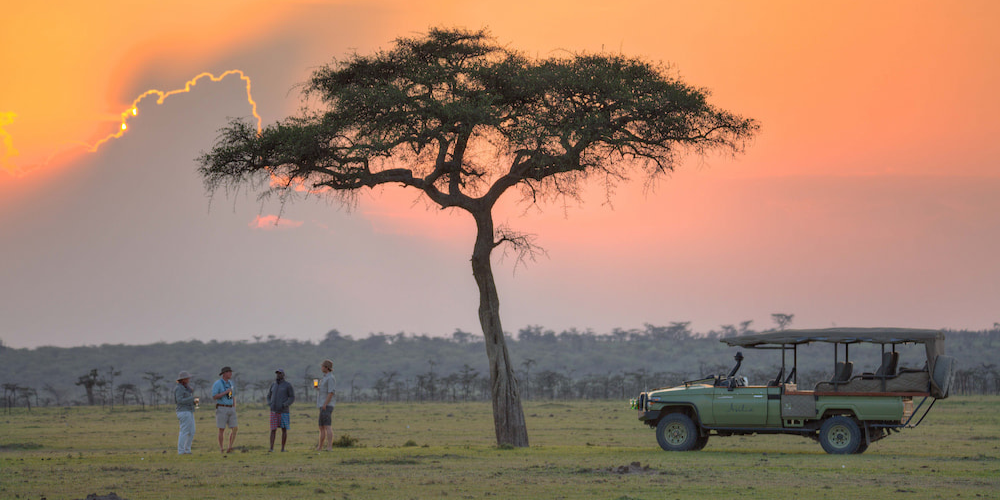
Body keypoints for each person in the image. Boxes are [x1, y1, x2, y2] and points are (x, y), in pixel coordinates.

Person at [267, 368, 295, 452]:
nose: (278, 375)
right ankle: (271, 448)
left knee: (284, 429)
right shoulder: (273, 385)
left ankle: (283, 448)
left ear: (283, 375)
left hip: (283, 411)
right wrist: (270, 403)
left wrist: (285, 404)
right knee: (273, 429)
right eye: (277, 373)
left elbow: (292, 397)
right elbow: (269, 395)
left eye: (280, 373)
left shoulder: (287, 385)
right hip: (274, 410)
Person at [211, 366, 238, 453]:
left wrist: (234, 406)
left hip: (230, 408)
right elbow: (214, 396)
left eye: (231, 372)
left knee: (235, 428)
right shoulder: (218, 383)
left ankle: (230, 446)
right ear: (224, 374)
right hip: (222, 407)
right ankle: (221, 448)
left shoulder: (230, 383)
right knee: (221, 429)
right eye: (229, 372)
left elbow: (231, 396)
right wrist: (225, 392)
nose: (230, 374)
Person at [315, 359, 337, 451]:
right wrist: (317, 388)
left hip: (326, 405)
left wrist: (325, 404)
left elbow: (331, 392)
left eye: (323, 366)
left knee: (327, 425)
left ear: (326, 368)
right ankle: (320, 447)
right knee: (321, 426)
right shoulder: (324, 378)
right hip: (322, 404)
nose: (321, 368)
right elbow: (324, 391)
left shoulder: (330, 378)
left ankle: (329, 447)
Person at [174, 370, 196, 455]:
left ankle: (187, 450)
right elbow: (179, 400)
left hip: (189, 410)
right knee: (184, 431)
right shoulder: (179, 388)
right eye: (187, 378)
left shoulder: (185, 388)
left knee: (191, 431)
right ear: (183, 379)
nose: (189, 379)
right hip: (183, 411)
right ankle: (181, 450)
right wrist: (191, 399)